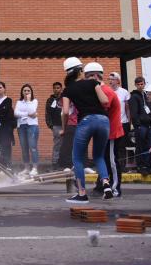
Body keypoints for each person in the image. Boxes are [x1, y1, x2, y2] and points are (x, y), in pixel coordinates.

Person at [61, 59, 111, 204]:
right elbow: (105, 101)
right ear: (81, 71)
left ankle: (82, 193)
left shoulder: (68, 90)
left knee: (77, 159)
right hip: (103, 120)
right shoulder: (93, 83)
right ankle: (106, 185)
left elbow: (65, 112)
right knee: (99, 156)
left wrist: (64, 129)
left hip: (86, 121)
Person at [92, 69, 124, 198]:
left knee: (112, 161)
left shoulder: (105, 91)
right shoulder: (101, 90)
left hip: (112, 132)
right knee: (103, 159)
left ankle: (116, 188)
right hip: (105, 131)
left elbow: (102, 108)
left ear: (95, 76)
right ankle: (102, 185)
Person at [129, 76, 151, 175]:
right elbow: (133, 113)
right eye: (138, 84)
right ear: (135, 85)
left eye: (141, 84)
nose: (140, 86)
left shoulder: (146, 95)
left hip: (149, 125)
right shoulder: (134, 96)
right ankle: (141, 165)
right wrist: (137, 125)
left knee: (149, 145)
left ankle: (148, 165)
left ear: (144, 84)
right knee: (140, 146)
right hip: (141, 126)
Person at [15, 84, 39, 177]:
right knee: (24, 147)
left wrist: (29, 101)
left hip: (32, 126)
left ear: (31, 92)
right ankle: (26, 168)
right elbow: (16, 113)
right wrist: (27, 114)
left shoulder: (34, 101)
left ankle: (35, 168)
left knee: (32, 147)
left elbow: (32, 111)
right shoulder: (19, 102)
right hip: (21, 126)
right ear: (22, 92)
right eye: (24, 90)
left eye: (28, 90)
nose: (26, 92)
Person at [108, 72, 131, 170]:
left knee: (122, 145)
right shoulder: (108, 92)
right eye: (109, 79)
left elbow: (127, 108)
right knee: (112, 146)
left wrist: (129, 121)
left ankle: (122, 166)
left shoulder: (124, 92)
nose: (110, 81)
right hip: (111, 124)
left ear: (118, 81)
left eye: (112, 79)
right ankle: (112, 165)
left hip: (123, 123)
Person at [45, 82, 64, 168]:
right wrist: (51, 125)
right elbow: (47, 113)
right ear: (53, 89)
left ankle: (64, 161)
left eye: (58, 88)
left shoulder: (65, 98)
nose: (56, 90)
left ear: (61, 88)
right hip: (56, 125)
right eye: (55, 88)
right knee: (57, 144)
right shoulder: (50, 100)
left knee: (66, 143)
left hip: (66, 125)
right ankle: (55, 162)